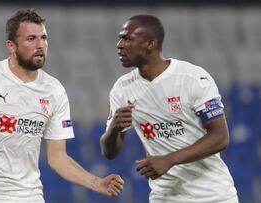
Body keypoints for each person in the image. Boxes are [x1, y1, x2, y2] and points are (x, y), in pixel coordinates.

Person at [0, 8, 124, 203]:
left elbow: (57, 157)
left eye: (44, 38)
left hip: (30, 194)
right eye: (31, 39)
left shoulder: (54, 90)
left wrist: (96, 183)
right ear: (11, 46)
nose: (40, 45)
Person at [100, 15, 239, 203]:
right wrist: (114, 128)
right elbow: (110, 152)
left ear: (150, 44)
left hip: (213, 196)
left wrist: (169, 159)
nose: (119, 44)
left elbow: (220, 137)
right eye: (120, 38)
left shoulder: (192, 78)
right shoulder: (122, 88)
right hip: (165, 197)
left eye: (127, 39)